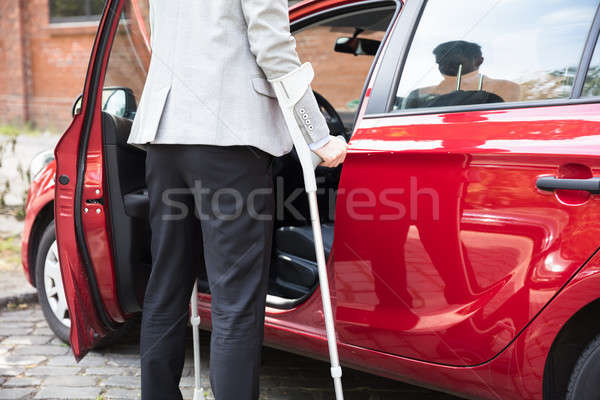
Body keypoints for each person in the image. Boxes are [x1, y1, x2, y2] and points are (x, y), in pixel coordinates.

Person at [126, 0, 348, 399]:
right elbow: (273, 47)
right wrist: (318, 136)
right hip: (229, 138)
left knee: (168, 281)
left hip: (165, 135)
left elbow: (164, 40)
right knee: (235, 297)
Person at [404, 40, 520, 108]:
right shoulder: (419, 94)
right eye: (441, 63)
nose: (445, 67)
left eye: (455, 63)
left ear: (479, 61)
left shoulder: (504, 87)